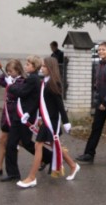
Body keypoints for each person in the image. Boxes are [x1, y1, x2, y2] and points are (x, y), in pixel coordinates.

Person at [16, 57, 80, 188]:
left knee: (38, 145)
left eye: (44, 66)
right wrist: (29, 113)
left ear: (50, 68)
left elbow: (59, 104)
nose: (42, 68)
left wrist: (66, 121)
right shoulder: (43, 82)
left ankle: (32, 177)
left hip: (52, 121)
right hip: (45, 119)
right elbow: (39, 101)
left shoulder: (54, 83)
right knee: (53, 144)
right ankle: (73, 165)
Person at [0, 59, 37, 182]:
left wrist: (11, 84)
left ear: (18, 70)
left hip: (16, 113)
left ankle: (44, 157)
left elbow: (18, 92)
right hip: (7, 114)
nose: (9, 74)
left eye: (11, 71)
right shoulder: (10, 79)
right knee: (3, 140)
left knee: (21, 142)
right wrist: (3, 72)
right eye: (8, 71)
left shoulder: (22, 81)